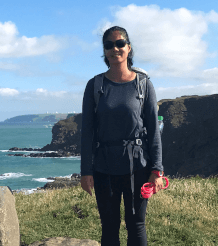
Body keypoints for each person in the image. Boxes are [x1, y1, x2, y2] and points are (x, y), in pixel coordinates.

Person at [80, 26, 164, 246]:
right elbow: (87, 132)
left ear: (129, 47)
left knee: (136, 223)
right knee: (109, 225)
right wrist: (85, 171)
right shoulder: (95, 85)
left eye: (119, 43)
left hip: (138, 165)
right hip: (103, 167)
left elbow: (154, 130)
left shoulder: (144, 84)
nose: (114, 48)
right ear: (104, 51)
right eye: (108, 45)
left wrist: (157, 169)